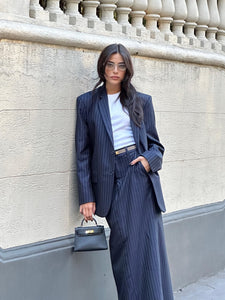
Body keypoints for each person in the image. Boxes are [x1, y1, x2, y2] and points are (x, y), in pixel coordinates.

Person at [75, 43, 174, 300]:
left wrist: (146, 161)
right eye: (110, 64)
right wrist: (86, 196)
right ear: (103, 67)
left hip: (139, 176)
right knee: (125, 250)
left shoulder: (142, 101)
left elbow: (157, 146)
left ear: (127, 69)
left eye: (121, 65)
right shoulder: (87, 102)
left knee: (150, 248)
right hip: (110, 179)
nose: (115, 70)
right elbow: (83, 152)